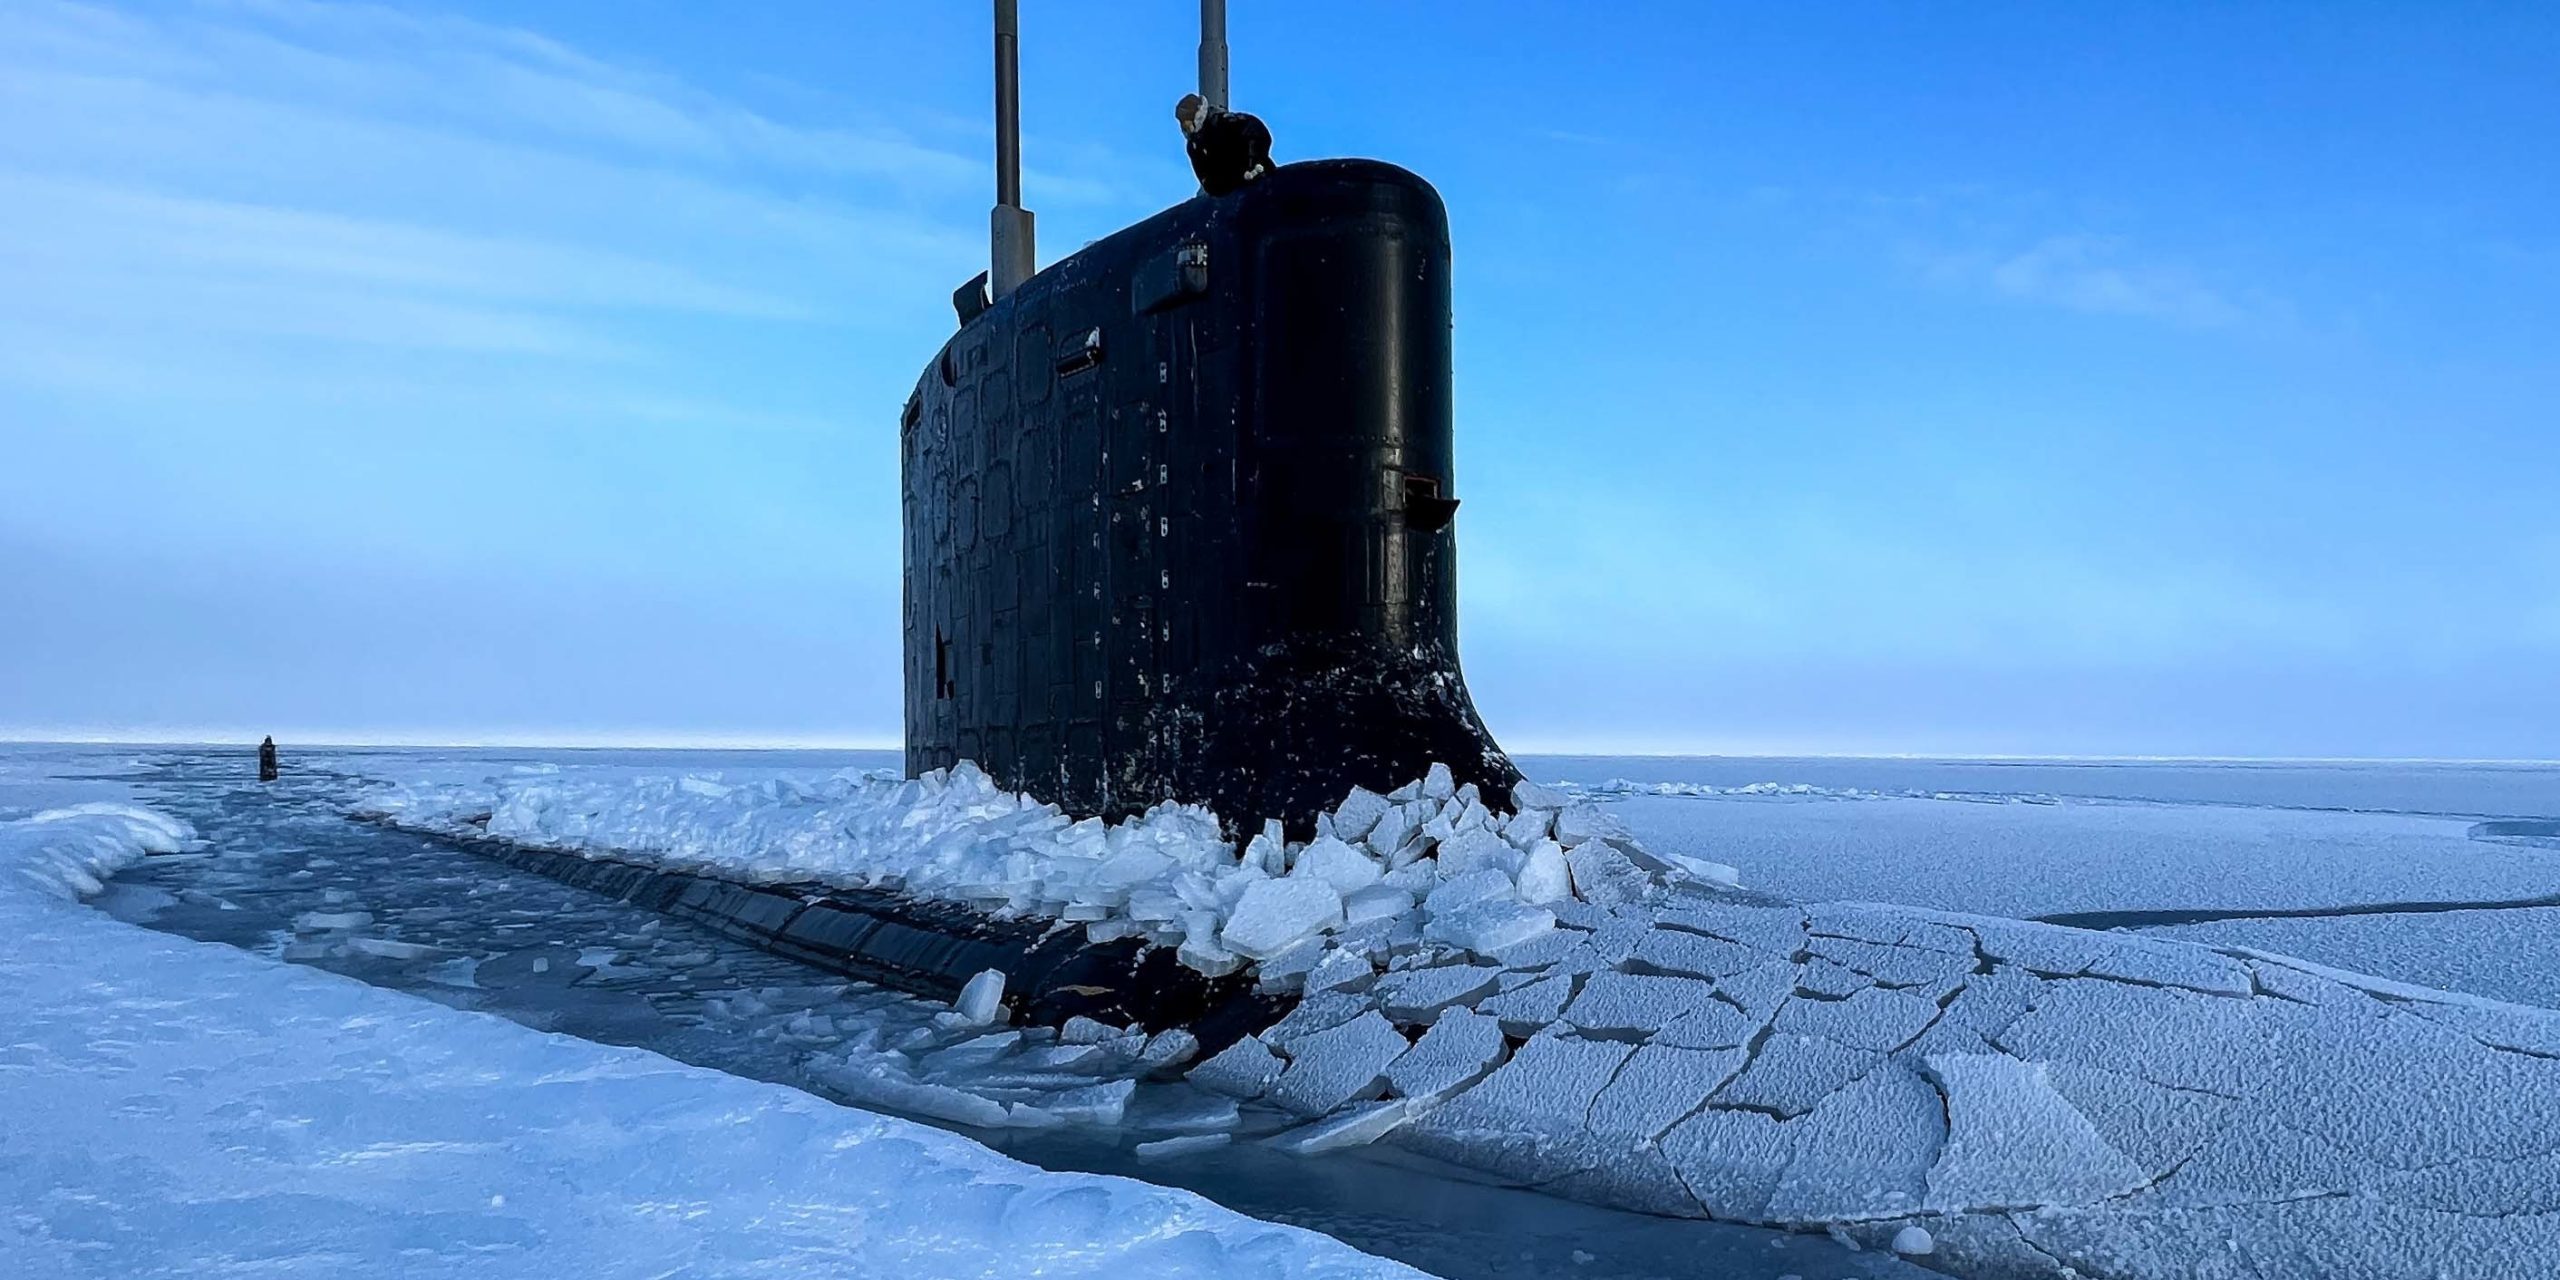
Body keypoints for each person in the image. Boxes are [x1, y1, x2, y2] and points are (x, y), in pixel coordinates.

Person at [1176, 93, 1272, 197]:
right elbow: (1205, 178)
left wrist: (1252, 165)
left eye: (1185, 120)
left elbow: (1254, 130)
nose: (1183, 125)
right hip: (1232, 195)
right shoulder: (1194, 146)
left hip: (1261, 183)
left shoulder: (1222, 123)